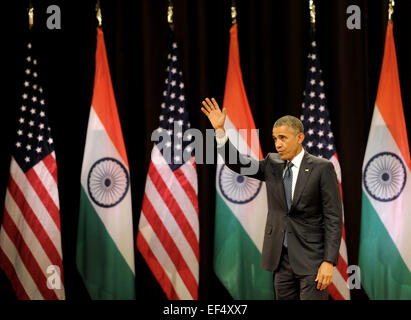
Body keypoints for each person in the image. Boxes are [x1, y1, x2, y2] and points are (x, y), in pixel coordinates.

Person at [201, 97, 343, 300]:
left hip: (312, 260)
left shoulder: (322, 168)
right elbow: (238, 163)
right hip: (280, 260)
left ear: (300, 137)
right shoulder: (272, 163)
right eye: (275, 139)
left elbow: (333, 218)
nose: (278, 144)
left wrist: (328, 261)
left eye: (283, 138)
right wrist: (220, 132)